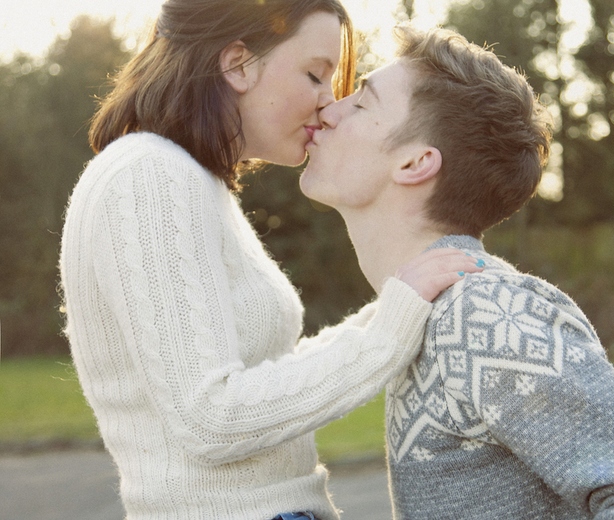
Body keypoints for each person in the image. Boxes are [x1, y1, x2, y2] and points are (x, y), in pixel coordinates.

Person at [58, 2, 481, 519]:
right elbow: (209, 418)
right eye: (314, 75)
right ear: (238, 64)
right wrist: (389, 332)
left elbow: (256, 377)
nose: (328, 104)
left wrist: (397, 307)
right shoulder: (149, 175)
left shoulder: (184, 178)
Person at [300, 25, 614, 518]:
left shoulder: (480, 313)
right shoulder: (422, 314)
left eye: (360, 102)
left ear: (415, 162)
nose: (327, 109)